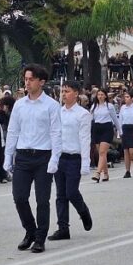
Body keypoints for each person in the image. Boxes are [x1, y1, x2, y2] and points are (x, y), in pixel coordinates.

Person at [4, 64, 62, 253]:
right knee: (19, 197)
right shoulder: (19, 105)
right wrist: (8, 156)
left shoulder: (51, 105)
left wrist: (54, 158)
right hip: (23, 156)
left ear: (41, 82)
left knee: (42, 200)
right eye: (25, 79)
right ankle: (30, 231)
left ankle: (40, 238)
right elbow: (12, 131)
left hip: (43, 157)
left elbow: (56, 133)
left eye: (31, 79)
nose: (27, 83)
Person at [50, 80, 93, 241]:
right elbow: (54, 135)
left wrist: (85, 162)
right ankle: (63, 228)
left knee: (71, 192)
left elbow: (85, 138)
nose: (64, 94)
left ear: (76, 93)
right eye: (62, 91)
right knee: (60, 194)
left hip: (74, 158)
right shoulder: (58, 112)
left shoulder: (83, 114)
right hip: (60, 157)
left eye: (67, 91)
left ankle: (83, 211)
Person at [89, 88, 119, 182]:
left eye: (102, 94)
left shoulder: (109, 106)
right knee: (102, 153)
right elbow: (90, 119)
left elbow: (115, 119)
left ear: (105, 96)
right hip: (97, 128)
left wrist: (120, 131)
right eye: (99, 95)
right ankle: (106, 173)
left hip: (107, 128)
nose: (100, 96)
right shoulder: (94, 106)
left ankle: (98, 173)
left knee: (102, 152)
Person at [117, 90, 133, 178]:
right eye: (125, 97)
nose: (126, 99)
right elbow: (120, 120)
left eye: (128, 97)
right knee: (126, 151)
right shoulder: (123, 107)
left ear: (132, 98)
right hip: (125, 129)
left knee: (132, 150)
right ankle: (127, 171)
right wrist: (119, 132)